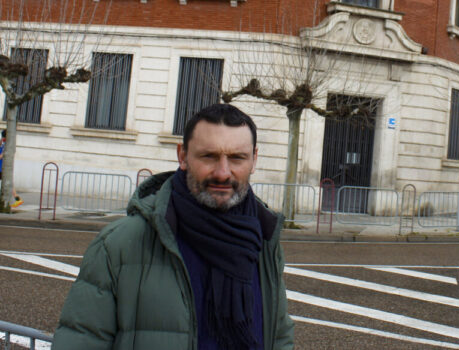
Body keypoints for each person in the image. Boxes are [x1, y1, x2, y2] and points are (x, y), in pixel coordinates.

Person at [53, 104, 294, 349]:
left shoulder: (264, 240)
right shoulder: (118, 245)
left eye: (237, 158)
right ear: (182, 156)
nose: (223, 172)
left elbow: (279, 336)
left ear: (254, 160)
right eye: (209, 156)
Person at [0, 130, 23, 208]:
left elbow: (1, 156)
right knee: (10, 184)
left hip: (2, 167)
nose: (2, 138)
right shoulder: (4, 144)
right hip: (2, 167)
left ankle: (17, 199)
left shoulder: (6, 145)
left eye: (3, 137)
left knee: (10, 184)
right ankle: (18, 199)